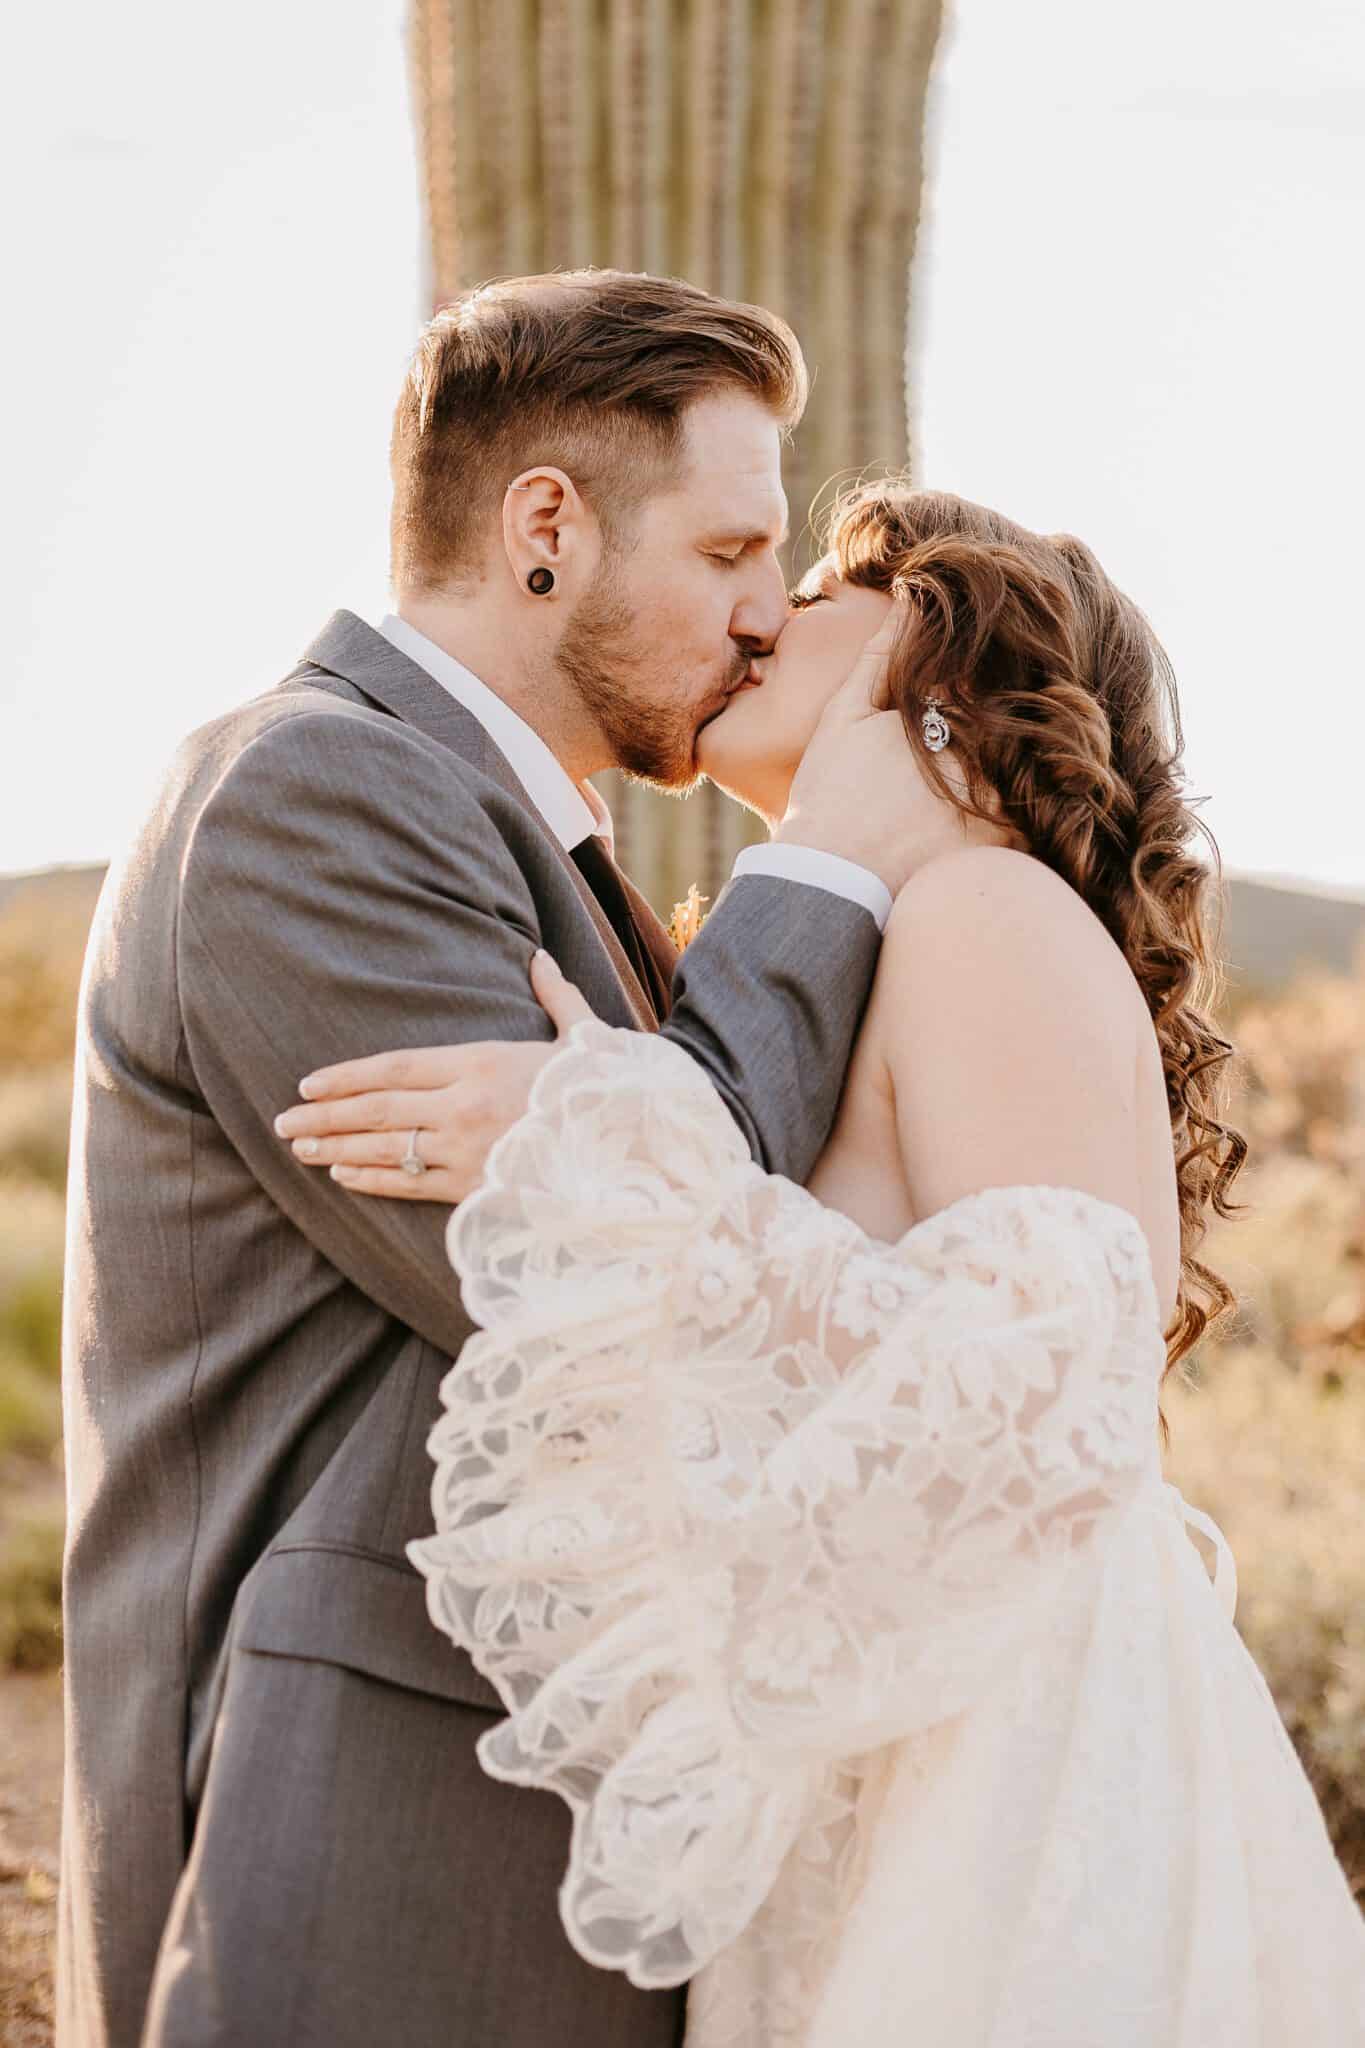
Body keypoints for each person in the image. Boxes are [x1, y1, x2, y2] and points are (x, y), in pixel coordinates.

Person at [282, 484, 1365, 2044]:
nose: (767, 610)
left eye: (839, 580)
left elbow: (1034, 1393)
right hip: (916, 1735)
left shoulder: (987, 910)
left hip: (1011, 1781)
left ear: (953, 659)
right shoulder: (921, 933)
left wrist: (617, 1153)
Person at [57, 272, 932, 2048]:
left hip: (527, 1824)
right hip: (348, 1835)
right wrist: (834, 858)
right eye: (728, 552)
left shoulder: (526, 843)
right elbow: (598, 1289)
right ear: (547, 527)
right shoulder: (313, 792)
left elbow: (680, 1205)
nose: (772, 620)